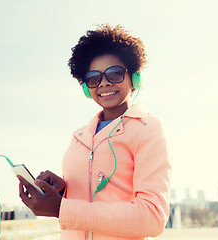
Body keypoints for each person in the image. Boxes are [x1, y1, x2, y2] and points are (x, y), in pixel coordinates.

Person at [17, 24, 172, 240]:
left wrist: (62, 208)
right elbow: (88, 199)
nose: (104, 83)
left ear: (134, 78)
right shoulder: (79, 136)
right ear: (86, 87)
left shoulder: (149, 129)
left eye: (115, 73)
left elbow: (152, 217)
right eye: (93, 78)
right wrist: (62, 191)